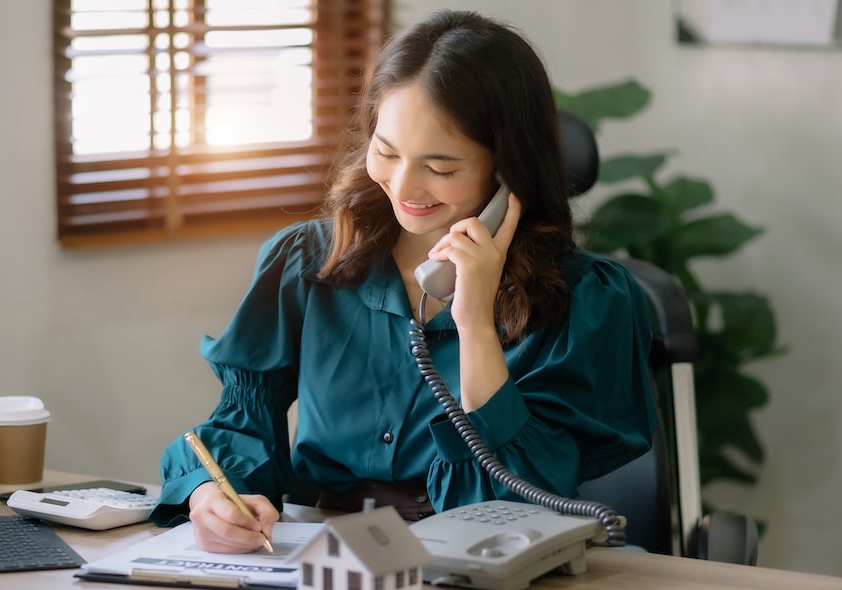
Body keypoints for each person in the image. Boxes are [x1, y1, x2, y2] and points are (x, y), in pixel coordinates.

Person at [149, 9, 658, 554]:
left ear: (508, 168)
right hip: (323, 557)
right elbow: (243, 420)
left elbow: (523, 500)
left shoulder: (588, 299)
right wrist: (214, 494)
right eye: (387, 152)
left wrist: (476, 324)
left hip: (488, 572)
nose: (404, 186)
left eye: (440, 168)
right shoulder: (307, 261)